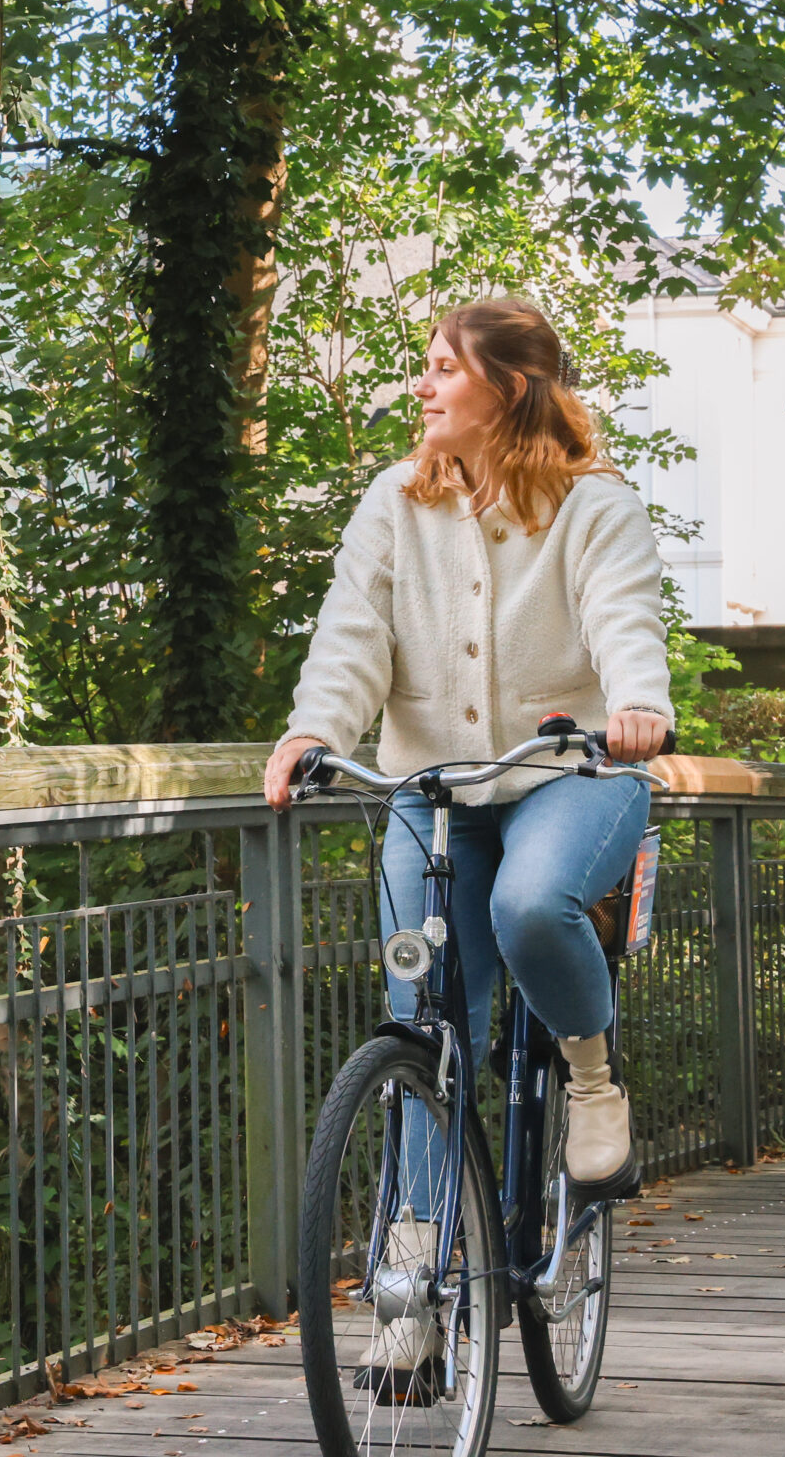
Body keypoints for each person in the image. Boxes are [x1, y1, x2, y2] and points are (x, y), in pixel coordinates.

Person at [264, 298, 672, 1381]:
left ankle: (590, 1073)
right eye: (426, 367)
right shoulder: (394, 504)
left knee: (531, 906)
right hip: (432, 791)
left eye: (445, 368)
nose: (424, 385)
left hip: (573, 777)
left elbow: (624, 617)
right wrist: (316, 729)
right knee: (426, 1027)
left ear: (509, 388)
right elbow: (351, 634)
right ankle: (409, 1295)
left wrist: (636, 704)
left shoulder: (594, 506)